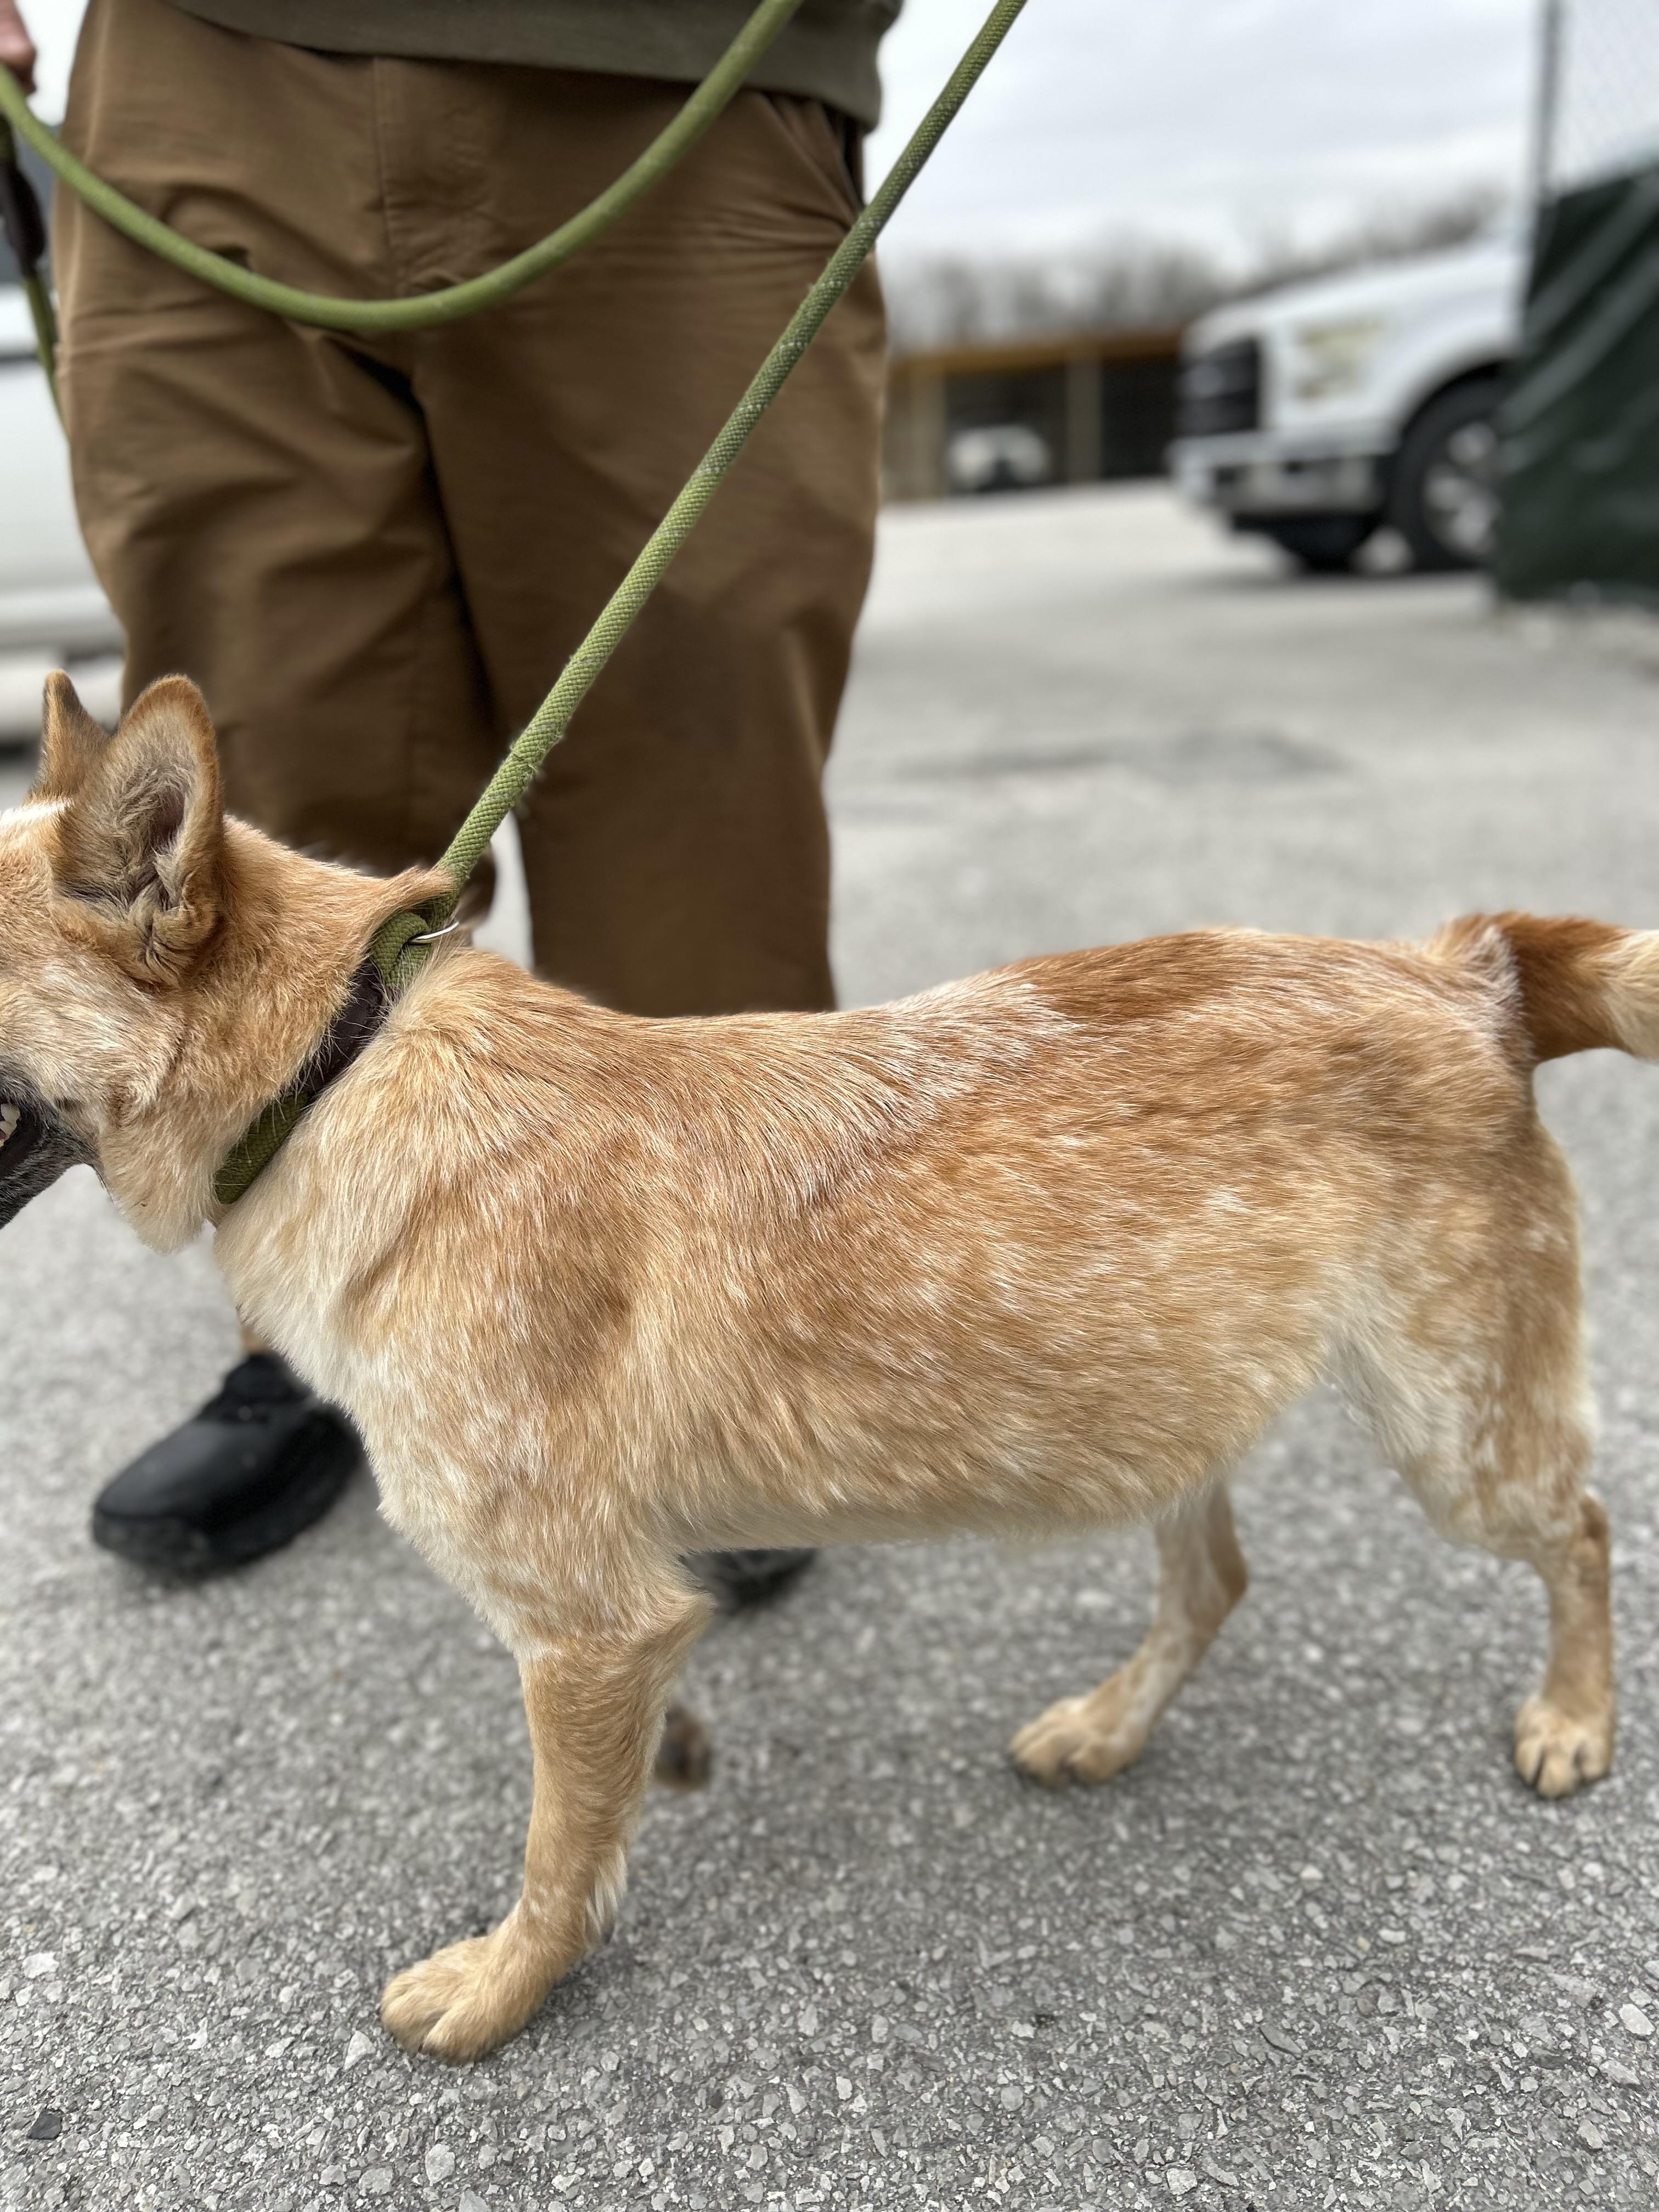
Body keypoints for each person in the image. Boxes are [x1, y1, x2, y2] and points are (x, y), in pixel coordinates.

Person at [0, 0, 894, 1595]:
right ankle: (315, 1319)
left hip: (680, 72)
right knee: (263, 781)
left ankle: (730, 1336)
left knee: (697, 792)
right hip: (196, 74)